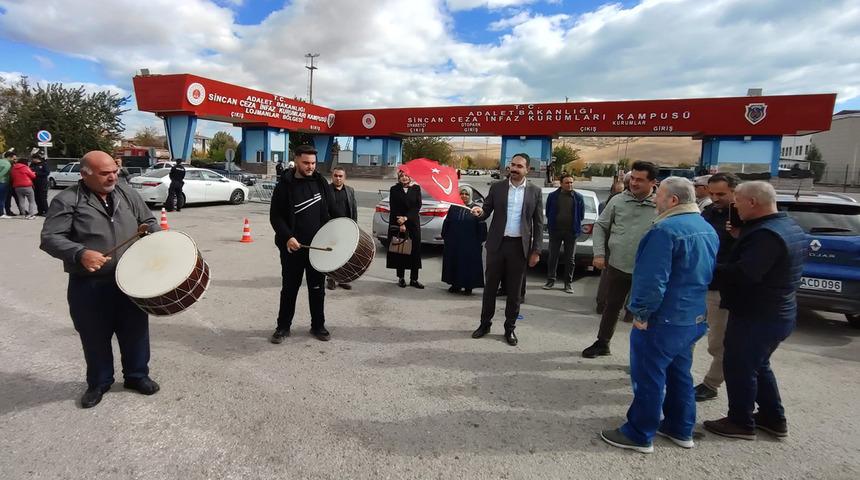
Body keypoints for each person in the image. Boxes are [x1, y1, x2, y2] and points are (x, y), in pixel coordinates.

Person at [600, 177, 718, 454]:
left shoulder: (664, 231)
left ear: (673, 200)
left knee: (649, 376)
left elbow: (652, 279)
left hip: (663, 319)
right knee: (680, 374)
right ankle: (680, 428)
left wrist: (641, 312)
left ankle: (639, 433)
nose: (655, 200)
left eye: (659, 195)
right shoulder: (706, 228)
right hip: (692, 317)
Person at [40, 150, 161, 408]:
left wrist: (155, 235)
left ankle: (137, 376)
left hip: (131, 281)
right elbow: (50, 238)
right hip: (89, 284)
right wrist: (79, 253)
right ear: (85, 175)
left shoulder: (127, 193)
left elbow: (148, 220)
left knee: (136, 331)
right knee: (94, 335)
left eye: (114, 171)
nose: (112, 177)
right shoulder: (67, 200)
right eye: (105, 173)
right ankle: (99, 382)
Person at [704, 181, 807, 440]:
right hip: (774, 312)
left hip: (758, 314)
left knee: (739, 367)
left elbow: (745, 273)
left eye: (737, 200)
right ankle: (773, 418)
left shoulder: (766, 235)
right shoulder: (784, 226)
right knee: (759, 365)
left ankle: (740, 422)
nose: (734, 205)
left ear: (752, 202)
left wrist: (706, 268)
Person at [583, 161, 658, 358]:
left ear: (653, 183)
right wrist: (599, 254)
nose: (633, 183)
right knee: (611, 307)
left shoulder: (661, 204)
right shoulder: (617, 200)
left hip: (647, 271)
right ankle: (602, 343)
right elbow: (600, 226)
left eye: (640, 180)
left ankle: (642, 356)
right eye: (632, 178)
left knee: (644, 314)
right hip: (617, 266)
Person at [269, 145, 343, 343]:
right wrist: (287, 237)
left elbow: (333, 210)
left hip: (317, 249)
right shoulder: (284, 185)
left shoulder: (320, 182)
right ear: (296, 160)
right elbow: (275, 217)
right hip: (292, 248)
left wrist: (345, 230)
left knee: (317, 289)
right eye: (306, 163)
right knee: (289, 289)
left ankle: (318, 326)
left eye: (313, 163)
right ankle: (283, 327)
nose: (310, 167)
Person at [470, 153, 543, 346]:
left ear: (527, 169)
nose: (515, 169)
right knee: (490, 289)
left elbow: (539, 224)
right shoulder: (497, 188)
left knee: (514, 292)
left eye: (519, 166)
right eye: (512, 165)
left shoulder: (535, 192)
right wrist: (479, 213)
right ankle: (484, 324)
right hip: (497, 245)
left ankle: (509, 329)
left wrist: (536, 250)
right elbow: (486, 210)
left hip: (519, 248)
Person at [693, 173, 740, 402]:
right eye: (711, 193)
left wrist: (738, 234)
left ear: (734, 191)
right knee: (687, 333)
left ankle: (711, 384)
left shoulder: (743, 218)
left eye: (721, 194)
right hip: (700, 283)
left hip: (721, 289)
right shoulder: (709, 212)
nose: (715, 198)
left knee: (718, 342)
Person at [543, 174, 585, 294]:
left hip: (571, 232)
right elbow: (548, 212)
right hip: (555, 231)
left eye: (571, 182)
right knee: (553, 257)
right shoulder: (553, 196)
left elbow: (580, 215)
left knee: (570, 259)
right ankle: (550, 280)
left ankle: (568, 283)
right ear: (561, 184)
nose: (570, 185)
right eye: (567, 182)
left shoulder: (578, 197)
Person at [441, 188, 487, 295]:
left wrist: (480, 240)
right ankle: (455, 285)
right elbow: (447, 222)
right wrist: (445, 236)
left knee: (468, 265)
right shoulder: (454, 207)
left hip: (470, 243)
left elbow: (481, 225)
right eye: (462, 193)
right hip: (455, 241)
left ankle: (468, 286)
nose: (464, 196)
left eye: (467, 194)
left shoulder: (475, 208)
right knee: (455, 262)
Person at [386, 170, 424, 289]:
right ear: (398, 178)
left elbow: (417, 206)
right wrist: (400, 223)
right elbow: (394, 206)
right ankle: (401, 278)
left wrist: (406, 218)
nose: (404, 178)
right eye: (401, 176)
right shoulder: (394, 189)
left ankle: (414, 279)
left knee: (414, 251)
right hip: (399, 223)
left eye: (407, 175)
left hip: (413, 223)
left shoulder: (416, 188)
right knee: (401, 250)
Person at [327, 166, 358, 290]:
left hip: (346, 227)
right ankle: (330, 278)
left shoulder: (350, 190)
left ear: (345, 178)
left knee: (345, 254)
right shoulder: (326, 190)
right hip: (331, 227)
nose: (338, 178)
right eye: (336, 176)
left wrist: (355, 226)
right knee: (331, 254)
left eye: (340, 176)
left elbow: (354, 209)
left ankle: (342, 278)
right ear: (332, 176)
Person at [10, 155, 37, 219]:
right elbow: (33, 176)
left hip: (17, 187)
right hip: (27, 186)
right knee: (31, 201)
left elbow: (12, 177)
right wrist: (34, 173)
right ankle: (31, 214)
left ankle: (23, 214)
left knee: (21, 201)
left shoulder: (13, 168)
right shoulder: (25, 167)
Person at [30, 151, 51, 216]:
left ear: (37, 158)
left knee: (43, 198)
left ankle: (47, 211)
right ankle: (40, 211)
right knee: (37, 198)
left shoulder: (44, 164)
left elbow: (47, 173)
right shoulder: (32, 165)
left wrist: (36, 174)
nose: (32, 160)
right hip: (34, 184)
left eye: (33, 159)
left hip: (42, 183)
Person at [0, 150, 12, 219]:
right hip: (3, 182)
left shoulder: (0, 161)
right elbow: (4, 173)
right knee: (2, 199)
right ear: (9, 157)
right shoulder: (7, 164)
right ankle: (1, 213)